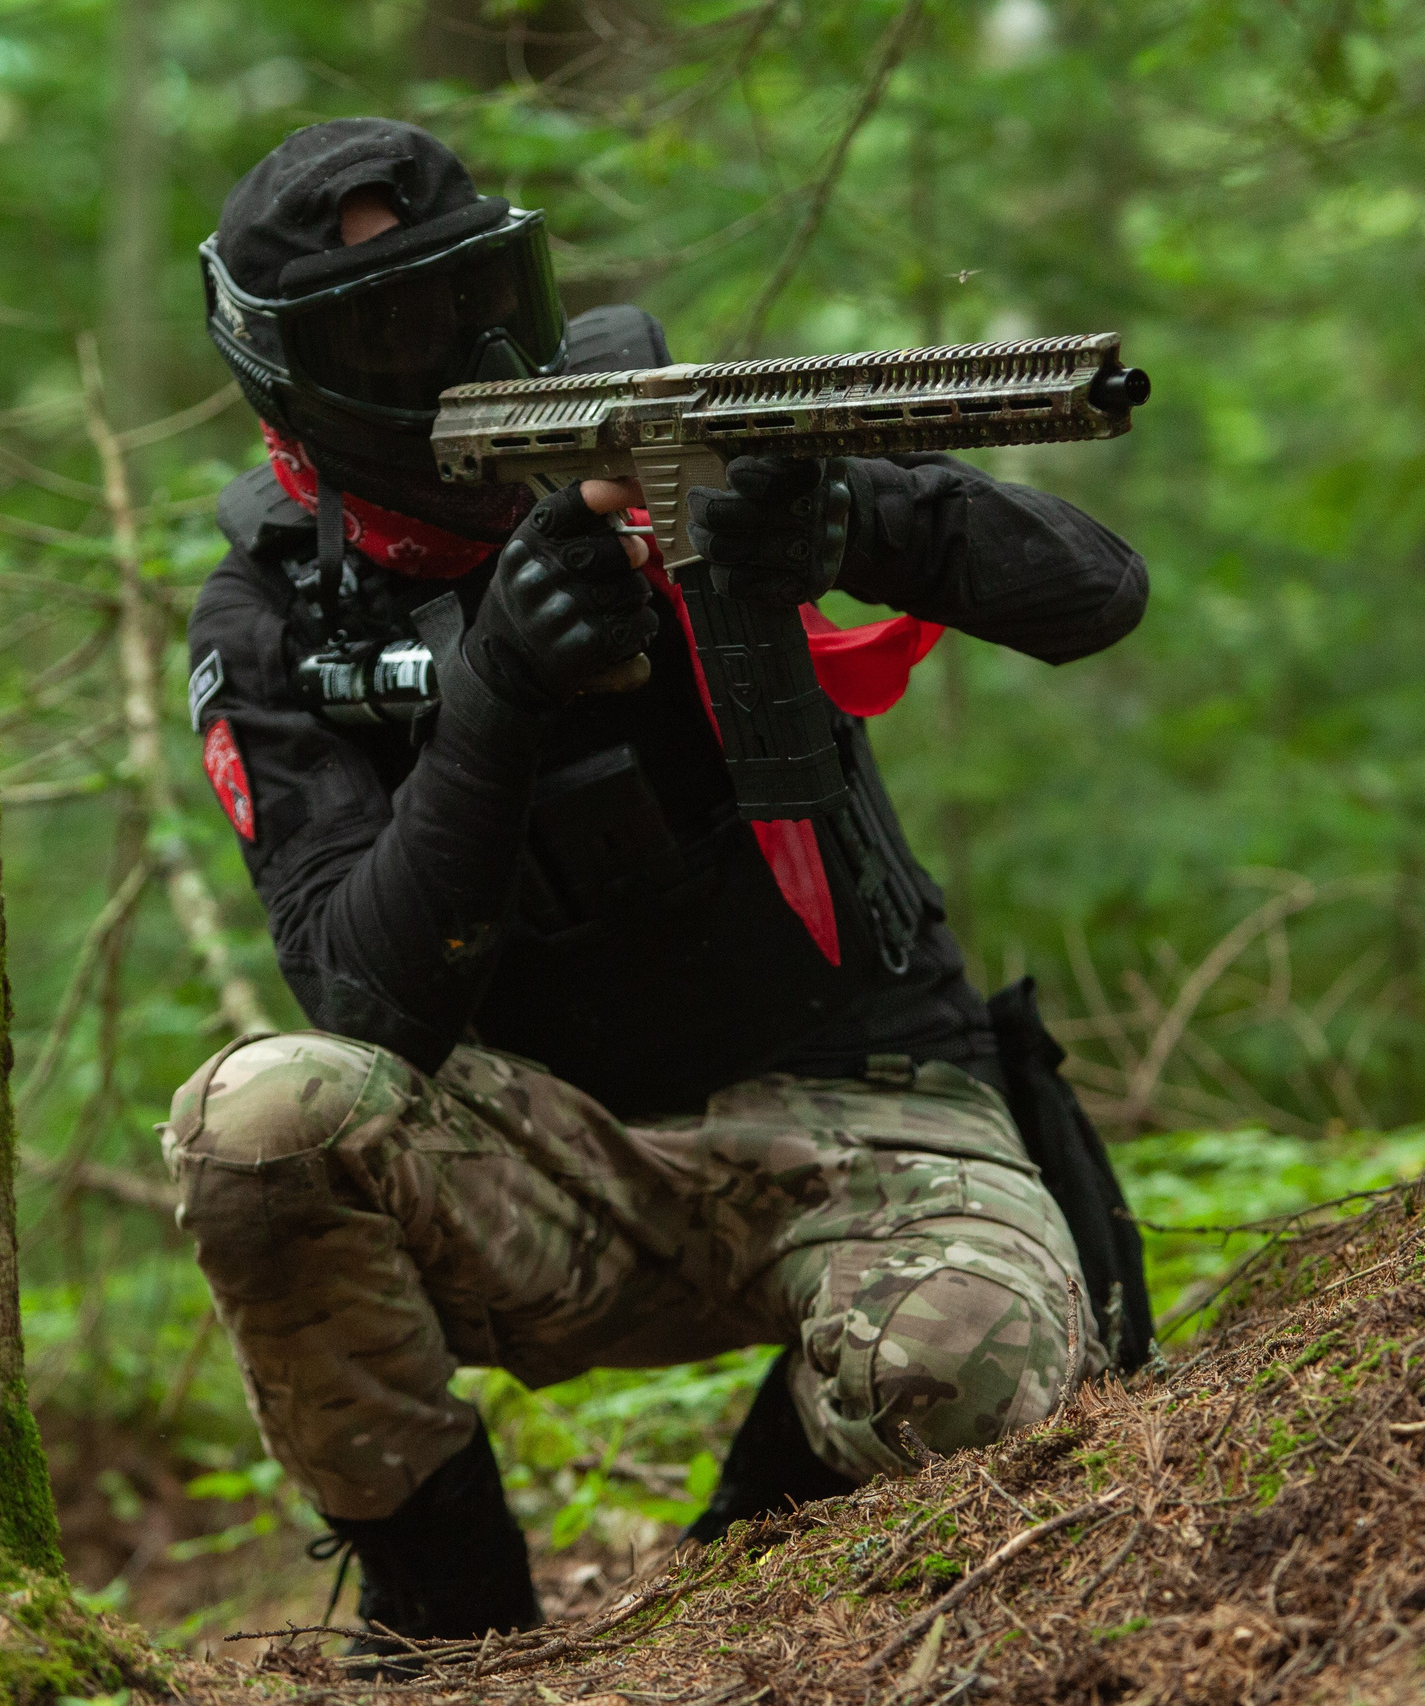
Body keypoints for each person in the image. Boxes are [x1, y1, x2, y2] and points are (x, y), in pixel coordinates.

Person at [165, 117, 1149, 1656]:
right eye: (400, 329)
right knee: (257, 1124)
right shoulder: (279, 614)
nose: (467, 353)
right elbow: (358, 992)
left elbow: (1098, 593)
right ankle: (450, 1622)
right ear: (303, 375)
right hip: (560, 1163)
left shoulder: (668, 434)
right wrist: (492, 696)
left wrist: (848, 520)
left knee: (967, 1364)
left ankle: (753, 1538)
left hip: (877, 1108)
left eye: (484, 298)